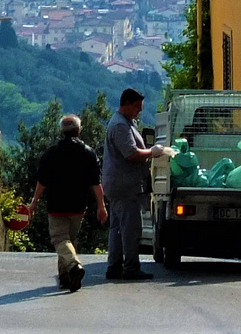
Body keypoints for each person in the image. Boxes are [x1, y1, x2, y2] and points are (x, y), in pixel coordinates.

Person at [31, 114, 107, 292]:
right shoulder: (88, 153)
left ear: (61, 131)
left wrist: (34, 201)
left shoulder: (52, 153)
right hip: (78, 206)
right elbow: (96, 183)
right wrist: (101, 205)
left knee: (60, 239)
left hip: (56, 205)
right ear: (79, 130)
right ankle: (66, 278)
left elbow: (42, 181)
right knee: (69, 240)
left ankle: (74, 265)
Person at [101, 88, 169, 281]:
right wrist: (153, 152)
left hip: (117, 185)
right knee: (131, 228)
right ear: (127, 104)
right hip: (125, 186)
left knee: (117, 228)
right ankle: (130, 267)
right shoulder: (121, 126)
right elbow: (131, 153)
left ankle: (114, 266)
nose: (139, 111)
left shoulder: (124, 123)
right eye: (137, 107)